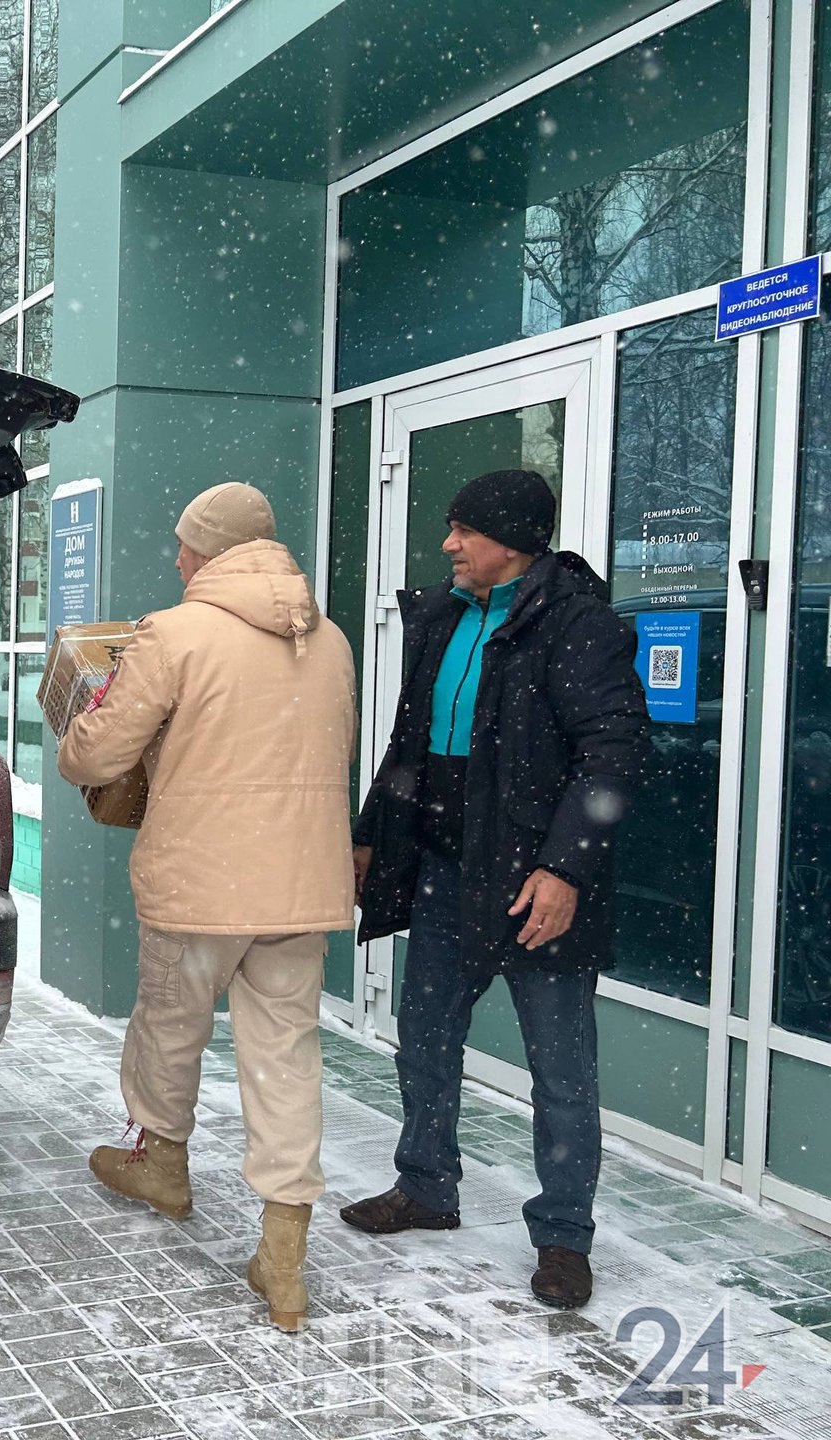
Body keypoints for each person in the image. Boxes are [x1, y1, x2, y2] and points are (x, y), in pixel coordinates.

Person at [341, 468, 647, 1311]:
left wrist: (565, 868)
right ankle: (425, 1187)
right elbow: (408, 745)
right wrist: (371, 835)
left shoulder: (578, 625)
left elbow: (614, 753)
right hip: (445, 872)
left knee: (561, 1069)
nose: (449, 544)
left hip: (533, 883)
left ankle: (563, 1236)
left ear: (510, 542)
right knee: (424, 1036)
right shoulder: (442, 618)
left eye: (463, 531)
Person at [58, 482, 358, 1333]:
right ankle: (284, 1252)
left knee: (169, 1026)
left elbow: (97, 757)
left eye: (185, 545)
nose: (177, 558)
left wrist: (82, 726)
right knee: (286, 1056)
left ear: (211, 551)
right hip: (300, 885)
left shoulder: (174, 632)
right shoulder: (330, 638)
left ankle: (163, 1166)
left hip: (200, 882)